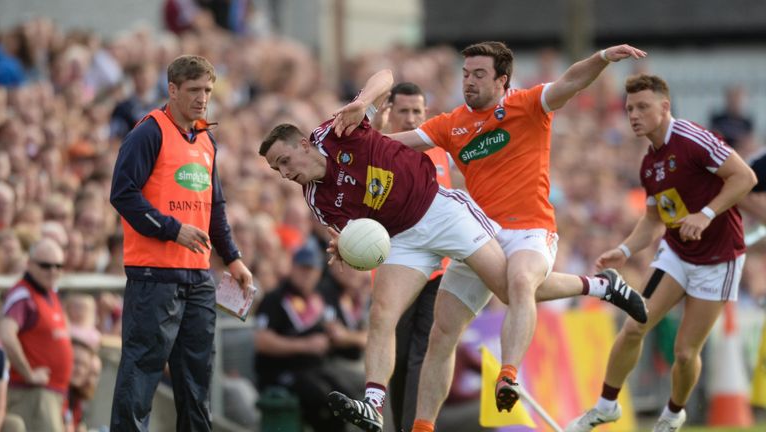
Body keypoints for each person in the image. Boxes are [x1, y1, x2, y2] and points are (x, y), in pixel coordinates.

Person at [259, 69, 639, 432]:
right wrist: (347, 246)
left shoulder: (337, 130)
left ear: (304, 144)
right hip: (402, 239)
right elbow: (363, 234)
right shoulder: (316, 199)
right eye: (278, 169)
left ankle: (599, 285)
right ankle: (373, 403)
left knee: (512, 289)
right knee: (382, 314)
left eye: (285, 161)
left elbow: (386, 76)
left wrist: (363, 101)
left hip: (440, 212)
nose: (285, 173)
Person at [565, 74, 757, 432]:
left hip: (719, 259)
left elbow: (745, 177)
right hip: (676, 254)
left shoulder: (693, 139)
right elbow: (654, 220)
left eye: (642, 107)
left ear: (664, 107)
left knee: (685, 353)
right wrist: (624, 249)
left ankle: (672, 414)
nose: (634, 115)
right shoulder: (649, 164)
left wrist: (706, 214)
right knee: (633, 327)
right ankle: (606, 407)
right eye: (629, 109)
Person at [109, 54, 253, 431]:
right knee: (139, 379)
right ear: (172, 90)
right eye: (193, 90)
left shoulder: (206, 138)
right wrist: (172, 229)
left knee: (197, 385)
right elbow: (122, 194)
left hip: (198, 277)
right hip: (153, 277)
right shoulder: (148, 132)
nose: (202, 98)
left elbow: (214, 206)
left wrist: (233, 258)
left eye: (208, 90)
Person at [374, 82, 455, 432]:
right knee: (401, 355)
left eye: (416, 112)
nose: (410, 118)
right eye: (403, 111)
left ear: (426, 113)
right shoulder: (378, 153)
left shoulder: (439, 151)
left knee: (424, 352)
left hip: (438, 270)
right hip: (397, 270)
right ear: (389, 112)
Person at [254, 243, 358, 431]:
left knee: (347, 397)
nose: (307, 274)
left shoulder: (319, 299)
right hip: (281, 371)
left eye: (312, 269)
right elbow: (261, 341)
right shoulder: (275, 298)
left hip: (315, 368)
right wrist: (305, 345)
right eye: (303, 268)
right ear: (293, 267)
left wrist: (334, 335)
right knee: (321, 398)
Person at [1, 238, 71, 432]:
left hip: (51, 395)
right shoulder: (23, 295)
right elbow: (6, 335)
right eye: (45, 265)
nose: (53, 271)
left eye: (58, 266)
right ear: (29, 264)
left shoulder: (49, 293)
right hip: (33, 396)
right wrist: (29, 374)